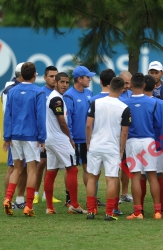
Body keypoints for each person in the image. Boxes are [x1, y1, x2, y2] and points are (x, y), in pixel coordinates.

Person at [3, 62, 46, 217]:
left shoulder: (12, 92)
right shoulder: (39, 92)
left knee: (17, 168)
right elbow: (40, 116)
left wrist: (7, 137)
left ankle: (8, 198)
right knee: (32, 169)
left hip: (15, 135)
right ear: (35, 74)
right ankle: (28, 205)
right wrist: (42, 137)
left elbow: (8, 115)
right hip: (31, 136)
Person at [86, 77, 131, 221]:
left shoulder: (96, 103)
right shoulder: (123, 107)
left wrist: (88, 142)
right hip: (112, 147)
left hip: (96, 145)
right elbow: (124, 132)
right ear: (122, 89)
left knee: (92, 177)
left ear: (109, 86)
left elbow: (88, 125)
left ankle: (90, 211)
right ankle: (109, 212)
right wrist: (122, 149)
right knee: (111, 179)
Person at [44, 72, 85, 215]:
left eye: (67, 82)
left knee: (51, 171)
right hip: (59, 139)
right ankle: (74, 204)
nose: (64, 85)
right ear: (55, 82)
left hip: (49, 139)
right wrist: (70, 138)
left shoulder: (54, 97)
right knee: (73, 169)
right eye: (61, 82)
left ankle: (49, 207)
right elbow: (62, 122)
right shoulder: (57, 99)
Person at [123, 73, 162, 220]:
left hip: (132, 141)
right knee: (152, 176)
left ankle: (138, 211)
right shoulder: (154, 102)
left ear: (131, 85)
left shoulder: (125, 102)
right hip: (149, 141)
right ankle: (157, 211)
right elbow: (158, 124)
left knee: (135, 177)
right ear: (144, 85)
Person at [64, 65, 95, 204]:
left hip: (87, 139)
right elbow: (67, 118)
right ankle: (69, 197)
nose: (90, 79)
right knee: (71, 169)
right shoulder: (69, 95)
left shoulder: (89, 93)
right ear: (79, 79)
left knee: (87, 167)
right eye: (87, 77)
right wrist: (69, 138)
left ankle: (91, 198)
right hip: (74, 139)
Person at [1, 62, 27, 210]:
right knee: (13, 167)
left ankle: (19, 199)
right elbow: (7, 114)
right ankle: (8, 199)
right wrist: (8, 136)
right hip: (16, 133)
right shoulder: (10, 90)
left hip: (22, 132)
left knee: (23, 167)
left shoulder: (15, 88)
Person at [35, 66, 62, 204]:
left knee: (52, 165)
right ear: (45, 78)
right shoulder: (40, 92)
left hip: (55, 136)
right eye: (51, 76)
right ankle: (35, 193)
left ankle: (47, 194)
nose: (54, 79)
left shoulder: (59, 94)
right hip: (42, 135)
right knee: (41, 164)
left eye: (56, 76)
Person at [148, 61, 163, 201]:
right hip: (149, 130)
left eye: (156, 72)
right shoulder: (144, 88)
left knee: (162, 165)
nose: (153, 75)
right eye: (151, 72)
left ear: (162, 73)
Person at [117, 71, 134, 203]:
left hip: (127, 135)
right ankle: (116, 194)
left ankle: (125, 193)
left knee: (126, 166)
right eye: (126, 83)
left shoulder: (130, 94)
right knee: (115, 166)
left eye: (130, 83)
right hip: (116, 135)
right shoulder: (115, 95)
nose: (128, 86)